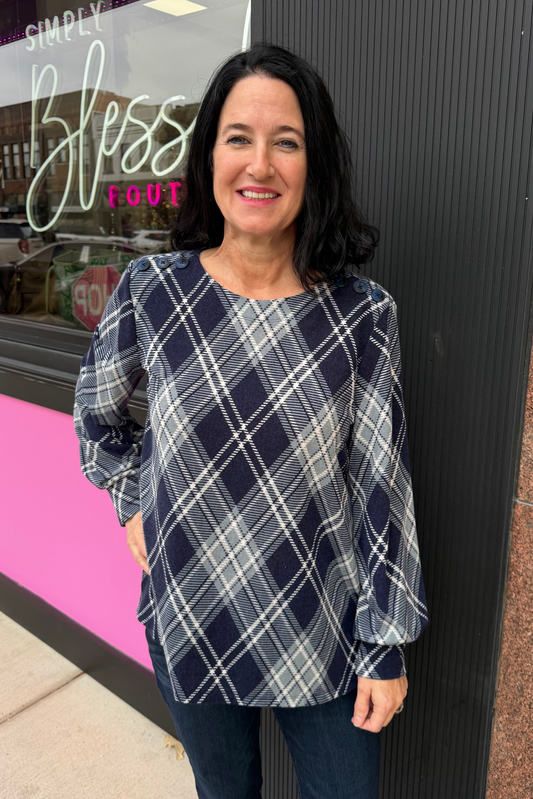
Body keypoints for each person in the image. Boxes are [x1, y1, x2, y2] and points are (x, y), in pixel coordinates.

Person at [73, 42, 428, 799]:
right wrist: (133, 498)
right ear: (208, 157)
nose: (259, 164)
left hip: (324, 635)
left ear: (316, 163)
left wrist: (387, 641)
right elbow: (96, 416)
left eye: (286, 142)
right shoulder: (152, 292)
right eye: (238, 138)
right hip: (191, 620)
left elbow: (381, 490)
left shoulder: (361, 316)